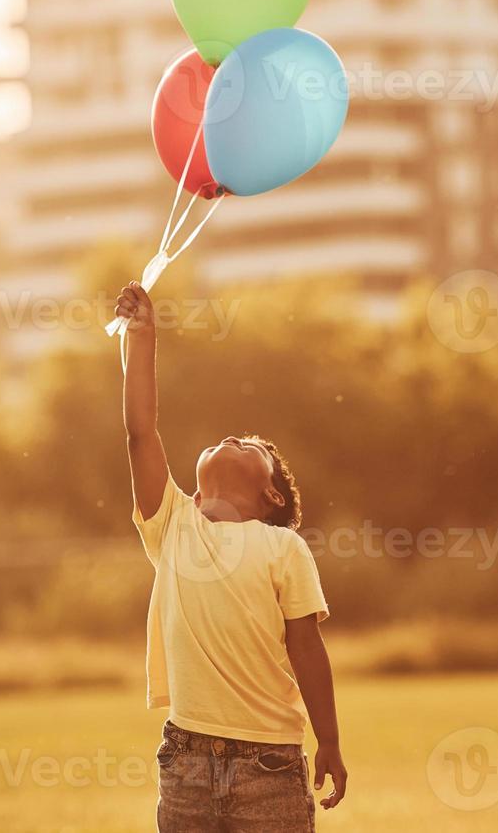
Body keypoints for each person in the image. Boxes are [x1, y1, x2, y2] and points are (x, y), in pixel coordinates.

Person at [115, 280, 348, 832]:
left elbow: (307, 649)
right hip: (185, 761)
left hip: (270, 766)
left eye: (257, 448)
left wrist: (330, 741)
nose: (240, 439)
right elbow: (139, 433)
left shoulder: (282, 547)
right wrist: (143, 338)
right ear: (194, 494)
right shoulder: (173, 524)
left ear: (272, 497)